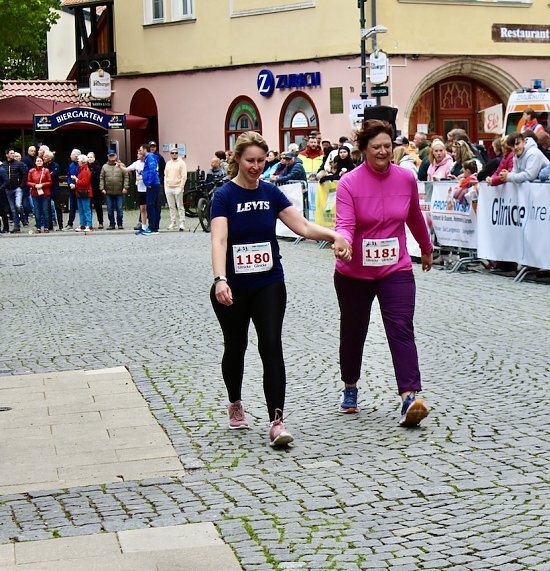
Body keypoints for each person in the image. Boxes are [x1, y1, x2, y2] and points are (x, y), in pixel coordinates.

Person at [210, 131, 351, 448]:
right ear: (237, 159)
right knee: (236, 347)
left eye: (261, 161)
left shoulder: (271, 193)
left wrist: (334, 236)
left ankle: (277, 421)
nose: (256, 167)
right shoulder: (224, 196)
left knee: (271, 345)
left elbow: (301, 226)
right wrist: (220, 278)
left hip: (269, 282)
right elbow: (219, 240)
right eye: (250, 161)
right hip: (233, 285)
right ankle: (235, 403)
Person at [334, 119, 434, 427]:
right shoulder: (349, 183)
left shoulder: (405, 178)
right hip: (355, 271)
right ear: (363, 149)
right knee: (354, 330)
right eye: (376, 147)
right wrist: (344, 244)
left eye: (388, 147)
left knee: (401, 328)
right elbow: (346, 224)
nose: (383, 152)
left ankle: (409, 397)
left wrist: (426, 247)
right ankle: (350, 387)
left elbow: (414, 216)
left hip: (396, 267)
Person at [100, 150, 129, 230]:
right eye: (110, 156)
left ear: (116, 156)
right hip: (108, 191)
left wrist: (125, 187)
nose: (112, 157)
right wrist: (102, 188)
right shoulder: (104, 166)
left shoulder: (121, 165)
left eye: (113, 155)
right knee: (109, 209)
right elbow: (101, 178)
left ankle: (120, 224)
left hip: (119, 191)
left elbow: (126, 176)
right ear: (108, 156)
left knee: (119, 208)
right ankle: (111, 224)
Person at [2, 148, 28, 233]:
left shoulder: (19, 164)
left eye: (13, 153)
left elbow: (24, 174)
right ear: (7, 155)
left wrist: (22, 185)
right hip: (8, 189)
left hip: (17, 188)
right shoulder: (3, 165)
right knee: (13, 209)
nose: (13, 155)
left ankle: (23, 218)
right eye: (11, 153)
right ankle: (17, 227)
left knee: (18, 205)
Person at [139, 142, 162, 235]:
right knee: (154, 205)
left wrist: (149, 182)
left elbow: (153, 171)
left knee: (151, 206)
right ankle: (155, 227)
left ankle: (152, 227)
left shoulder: (150, 157)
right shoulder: (149, 158)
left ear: (145, 149)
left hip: (152, 185)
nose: (140, 152)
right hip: (153, 184)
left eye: (140, 150)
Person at [164, 147, 188, 231]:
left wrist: (181, 187)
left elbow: (184, 176)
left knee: (180, 206)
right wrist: (166, 186)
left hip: (177, 187)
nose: (174, 154)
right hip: (169, 187)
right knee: (171, 206)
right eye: (172, 153)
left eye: (176, 153)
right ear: (170, 154)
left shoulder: (181, 163)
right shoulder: (168, 163)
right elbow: (165, 175)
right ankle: (173, 222)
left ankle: (182, 223)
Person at [125, 146, 149, 232]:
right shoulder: (136, 163)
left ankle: (151, 225)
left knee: (149, 208)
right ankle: (143, 226)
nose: (137, 155)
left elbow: (152, 174)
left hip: (148, 188)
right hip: (140, 189)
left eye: (139, 153)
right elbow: (126, 169)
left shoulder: (148, 162)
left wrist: (143, 177)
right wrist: (120, 166)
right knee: (142, 208)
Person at [26, 156, 52, 233]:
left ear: (43, 162)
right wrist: (34, 185)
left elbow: (50, 182)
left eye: (40, 160)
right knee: (36, 211)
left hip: (45, 193)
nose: (39, 162)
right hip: (35, 193)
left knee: (45, 210)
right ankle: (38, 227)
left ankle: (46, 227)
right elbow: (28, 182)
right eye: (37, 161)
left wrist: (42, 185)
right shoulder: (31, 171)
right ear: (35, 162)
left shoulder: (46, 170)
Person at [72, 154, 93, 232]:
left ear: (83, 162)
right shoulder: (81, 169)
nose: (78, 162)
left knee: (86, 209)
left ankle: (89, 225)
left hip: (85, 192)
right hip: (80, 192)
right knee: (81, 210)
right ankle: (82, 225)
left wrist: (76, 180)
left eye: (79, 161)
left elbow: (85, 183)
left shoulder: (86, 170)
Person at [87, 152, 105, 229]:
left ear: (94, 158)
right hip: (88, 190)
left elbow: (100, 178)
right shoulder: (85, 167)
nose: (90, 159)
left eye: (91, 157)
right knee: (88, 207)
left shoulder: (98, 167)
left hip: (96, 189)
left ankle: (101, 222)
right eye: (88, 157)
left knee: (98, 207)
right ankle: (89, 223)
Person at [65, 149, 81, 229]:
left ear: (76, 156)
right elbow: (68, 175)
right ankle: (70, 223)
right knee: (72, 207)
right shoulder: (71, 165)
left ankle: (84, 223)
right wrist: (70, 183)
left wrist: (75, 184)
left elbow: (82, 177)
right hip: (72, 188)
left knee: (82, 207)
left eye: (71, 155)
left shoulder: (81, 165)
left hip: (80, 189)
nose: (70, 156)